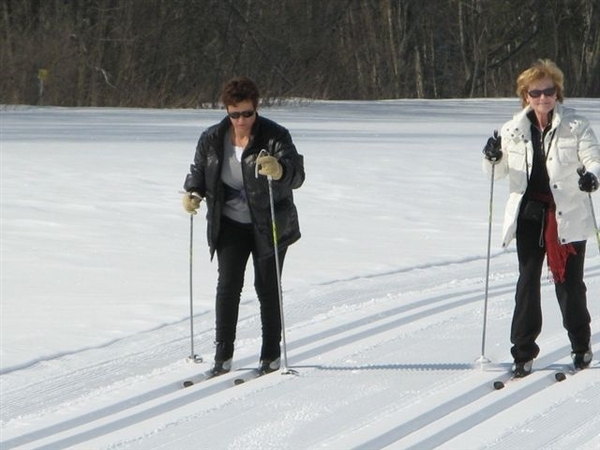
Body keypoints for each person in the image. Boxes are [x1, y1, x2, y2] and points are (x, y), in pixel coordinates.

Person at [482, 59, 599, 377]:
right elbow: (499, 171)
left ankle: (581, 345)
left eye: (549, 91)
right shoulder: (513, 130)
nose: (543, 97)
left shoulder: (575, 125)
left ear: (557, 93)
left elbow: (593, 158)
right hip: (530, 214)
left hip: (568, 214)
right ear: (526, 95)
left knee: (569, 284)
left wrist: (591, 176)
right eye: (536, 92)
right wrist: (492, 156)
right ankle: (522, 352)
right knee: (527, 281)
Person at [182, 76, 305, 376]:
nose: (241, 120)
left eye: (247, 113)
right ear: (226, 111)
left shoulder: (275, 136)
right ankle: (222, 355)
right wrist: (193, 192)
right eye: (234, 114)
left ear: (256, 109)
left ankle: (271, 355)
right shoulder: (212, 139)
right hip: (230, 223)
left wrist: (280, 170)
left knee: (266, 287)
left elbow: (297, 175)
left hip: (269, 221)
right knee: (228, 286)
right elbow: (200, 171)